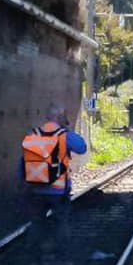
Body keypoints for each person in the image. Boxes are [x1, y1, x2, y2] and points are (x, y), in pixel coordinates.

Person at [19, 103, 88, 251]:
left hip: (35, 189)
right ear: (60, 117)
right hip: (58, 191)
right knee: (60, 222)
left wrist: (24, 183)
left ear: (47, 117)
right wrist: (66, 129)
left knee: (37, 222)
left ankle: (31, 254)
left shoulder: (33, 134)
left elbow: (23, 161)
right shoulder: (64, 135)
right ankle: (60, 255)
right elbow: (82, 148)